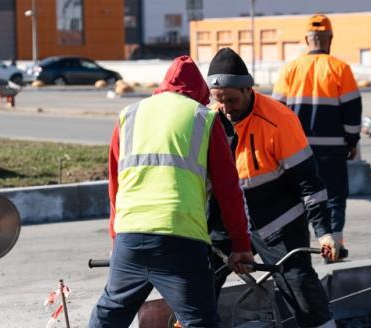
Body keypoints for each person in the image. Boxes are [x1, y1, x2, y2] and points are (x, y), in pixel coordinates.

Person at [88, 56, 255, 328]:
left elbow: (114, 189)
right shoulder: (203, 118)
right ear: (200, 93)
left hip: (130, 236)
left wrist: (116, 241)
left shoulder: (129, 115)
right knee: (199, 321)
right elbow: (229, 191)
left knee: (110, 314)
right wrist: (241, 246)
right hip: (180, 239)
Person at [207, 48, 338, 328]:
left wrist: (324, 232)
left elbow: (309, 183)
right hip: (227, 217)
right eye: (220, 101)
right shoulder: (209, 120)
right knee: (200, 279)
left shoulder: (279, 120)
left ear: (248, 89)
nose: (226, 109)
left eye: (232, 100)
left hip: (276, 221)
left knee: (297, 282)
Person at [272, 14, 362, 257]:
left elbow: (276, 109)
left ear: (306, 39)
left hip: (295, 151)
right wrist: (352, 141)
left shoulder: (290, 69)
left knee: (298, 200)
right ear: (329, 39)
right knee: (333, 199)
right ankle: (334, 248)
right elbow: (352, 110)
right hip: (332, 151)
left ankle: (297, 250)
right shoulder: (340, 68)